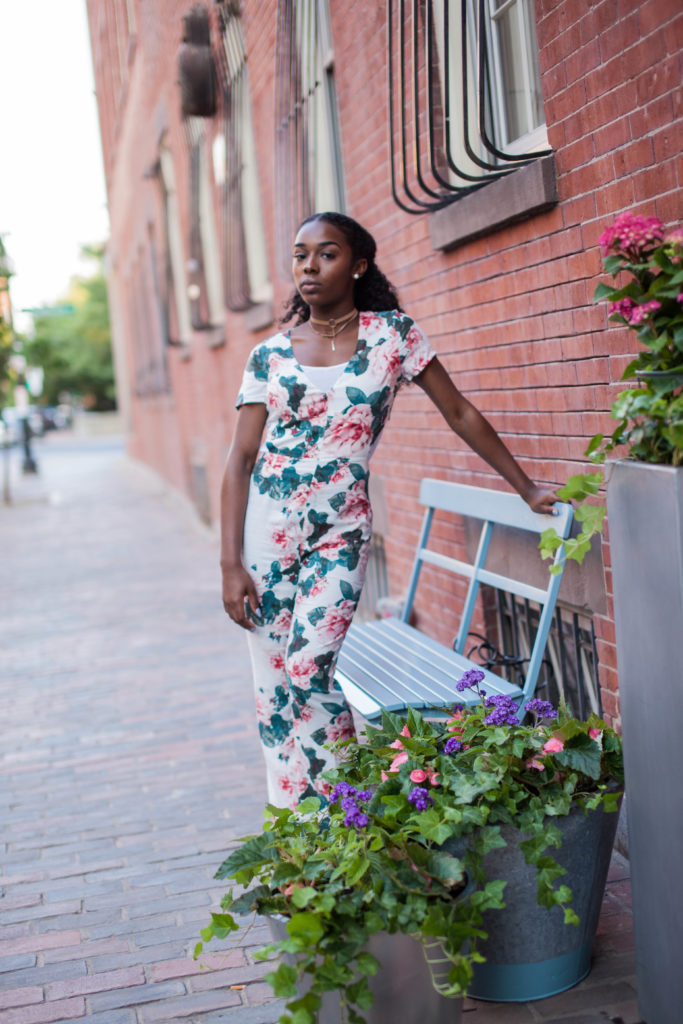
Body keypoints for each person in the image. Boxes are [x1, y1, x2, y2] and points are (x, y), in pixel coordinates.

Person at [220, 212, 557, 809]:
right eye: (300, 255)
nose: (309, 266)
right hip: (267, 536)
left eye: (326, 254)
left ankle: (355, 812)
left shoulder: (392, 336)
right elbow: (240, 458)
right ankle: (301, 828)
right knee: (275, 686)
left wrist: (525, 489)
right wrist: (229, 564)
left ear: (358, 265)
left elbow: (460, 413)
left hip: (341, 534)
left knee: (308, 670)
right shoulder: (268, 357)